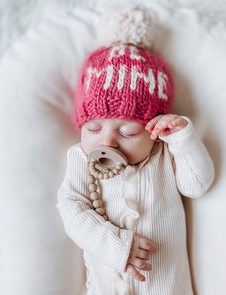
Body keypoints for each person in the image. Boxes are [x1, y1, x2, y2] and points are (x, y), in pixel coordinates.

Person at [57, 6, 214, 295]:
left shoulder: (164, 154)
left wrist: (183, 138)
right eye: (93, 129)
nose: (108, 142)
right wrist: (115, 245)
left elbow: (198, 185)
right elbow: (72, 210)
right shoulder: (80, 158)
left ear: (154, 131)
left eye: (128, 131)